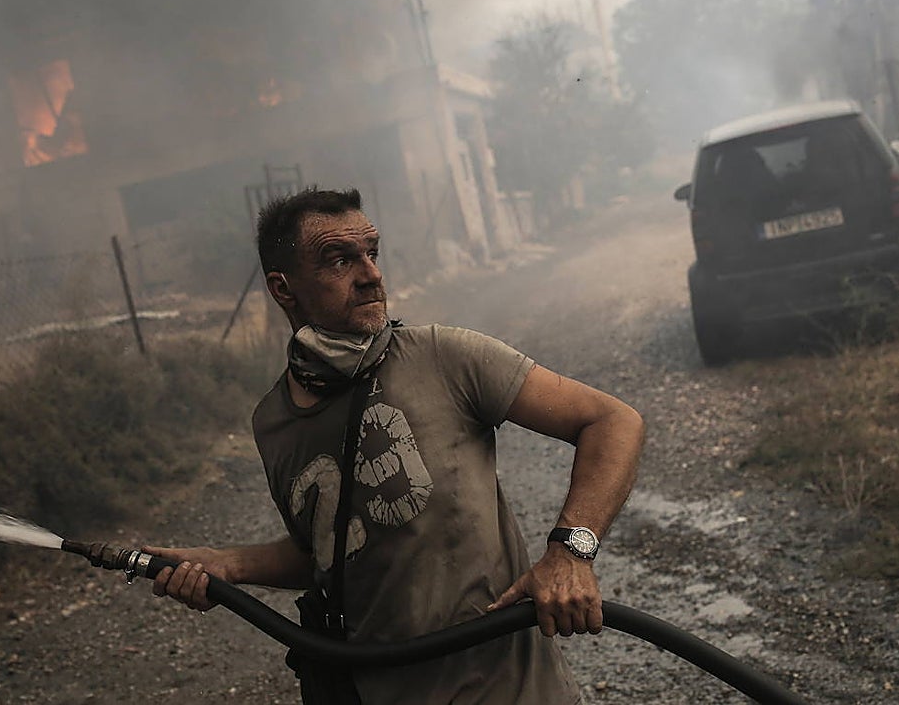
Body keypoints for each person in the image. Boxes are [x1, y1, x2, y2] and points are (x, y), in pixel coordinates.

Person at [144, 187, 645, 704]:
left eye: (372, 253)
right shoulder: (273, 422)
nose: (371, 275)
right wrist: (226, 565)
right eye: (339, 260)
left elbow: (612, 421)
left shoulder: (444, 357)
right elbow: (332, 551)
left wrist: (570, 552)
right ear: (283, 289)